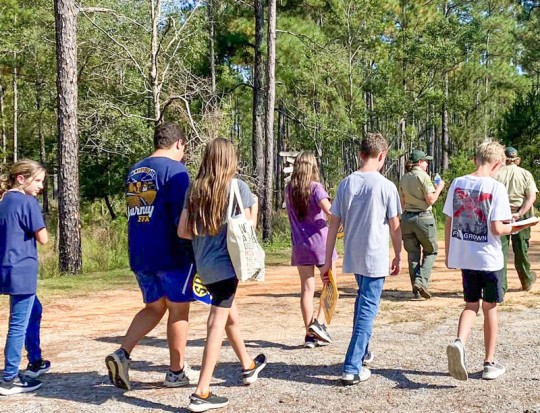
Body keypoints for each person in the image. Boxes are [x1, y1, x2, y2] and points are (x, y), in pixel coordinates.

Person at [106, 122, 198, 390]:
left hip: (141, 252)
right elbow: (182, 217)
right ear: (178, 143)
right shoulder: (176, 171)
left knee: (154, 307)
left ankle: (122, 353)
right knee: (179, 310)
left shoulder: (136, 170)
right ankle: (176, 372)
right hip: (171, 252)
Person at [178, 138, 267, 412]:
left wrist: (205, 235)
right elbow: (248, 229)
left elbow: (183, 231)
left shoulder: (195, 189)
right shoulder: (237, 187)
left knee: (229, 315)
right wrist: (253, 208)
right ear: (230, 159)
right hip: (228, 266)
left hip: (204, 266)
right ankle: (201, 391)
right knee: (216, 322)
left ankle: (248, 365)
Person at [443, 140, 537, 381]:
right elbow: (497, 228)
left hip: (465, 256)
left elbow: (449, 221)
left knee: (470, 305)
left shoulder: (457, 183)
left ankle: (459, 342)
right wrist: (520, 226)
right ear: (497, 163)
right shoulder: (496, 188)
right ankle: (489, 362)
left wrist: (449, 254)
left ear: (477, 159)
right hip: (489, 258)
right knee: (490, 307)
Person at [321, 133, 402, 386]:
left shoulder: (346, 183)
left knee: (363, 302)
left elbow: (333, 225)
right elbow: (395, 226)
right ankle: (352, 367)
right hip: (375, 256)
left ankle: (363, 352)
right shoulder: (386, 186)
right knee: (368, 308)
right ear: (382, 156)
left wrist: (327, 259)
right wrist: (399, 254)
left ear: (360, 154)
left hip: (354, 255)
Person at [0, 160, 50, 396]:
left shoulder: (4, 200)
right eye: (37, 180)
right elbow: (43, 238)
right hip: (23, 270)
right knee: (18, 324)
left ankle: (36, 360)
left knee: (34, 310)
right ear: (21, 178)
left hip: (7, 267)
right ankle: (9, 379)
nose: (40, 186)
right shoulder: (28, 202)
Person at [285, 151, 337, 348]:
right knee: (330, 286)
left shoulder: (289, 189)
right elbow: (330, 211)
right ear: (313, 167)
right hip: (321, 244)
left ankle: (309, 334)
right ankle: (319, 324)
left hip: (300, 246)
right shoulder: (316, 188)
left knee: (307, 289)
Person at [399, 149, 445, 299]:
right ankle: (421, 282)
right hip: (423, 218)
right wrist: (439, 188)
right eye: (426, 161)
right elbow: (430, 200)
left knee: (413, 254)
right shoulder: (423, 176)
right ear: (419, 162)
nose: (427, 164)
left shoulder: (404, 178)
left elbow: (402, 202)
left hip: (407, 218)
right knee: (431, 251)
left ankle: (416, 290)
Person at [495, 146, 538, 292]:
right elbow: (531, 197)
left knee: (500, 250)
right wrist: (519, 214)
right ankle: (526, 280)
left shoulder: (496, 174)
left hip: (500, 215)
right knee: (521, 249)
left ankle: (501, 286)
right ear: (517, 159)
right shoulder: (525, 174)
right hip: (521, 216)